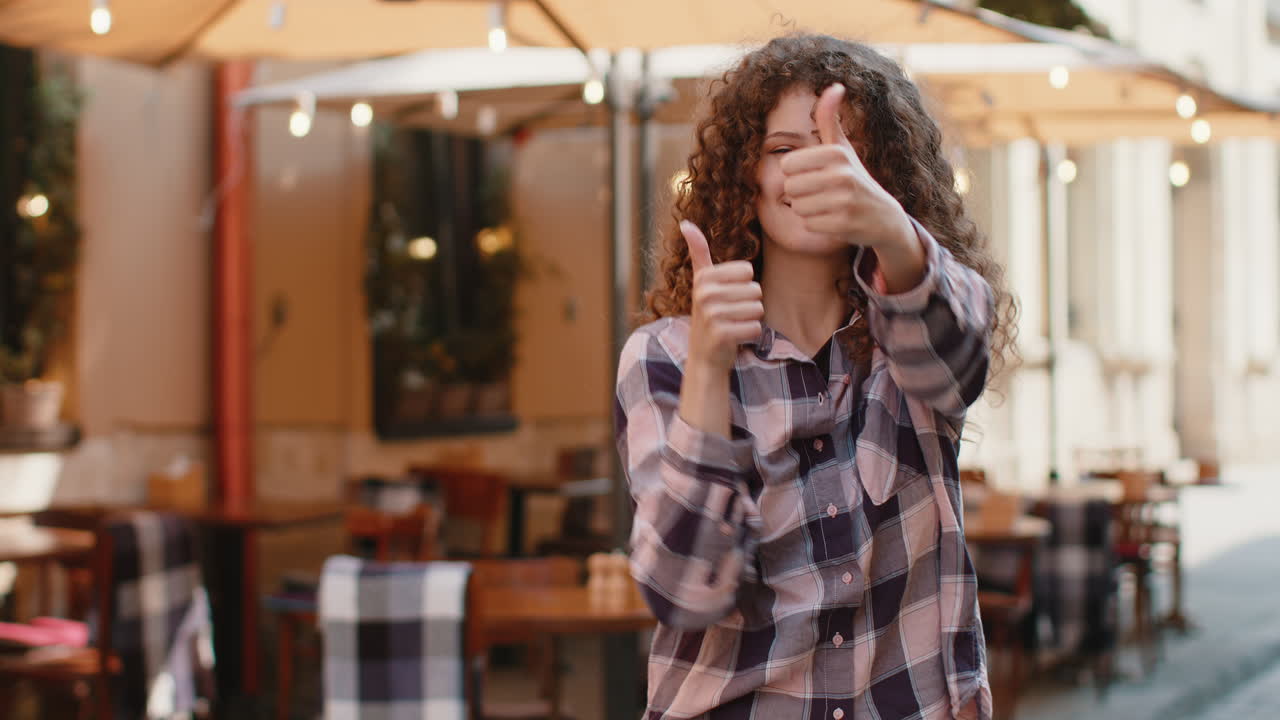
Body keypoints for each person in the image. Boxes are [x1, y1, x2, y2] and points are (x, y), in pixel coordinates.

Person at [615, 33, 1016, 720]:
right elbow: (685, 591)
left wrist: (894, 233)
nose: (814, 172)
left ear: (885, 180)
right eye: (782, 150)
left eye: (846, 152)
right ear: (745, 173)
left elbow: (959, 360)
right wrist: (712, 369)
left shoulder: (913, 329)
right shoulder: (667, 356)